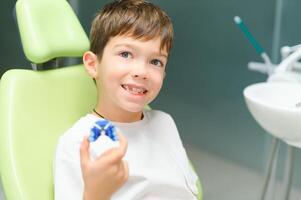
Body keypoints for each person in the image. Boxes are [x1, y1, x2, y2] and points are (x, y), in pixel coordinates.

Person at [54, 0, 200, 199]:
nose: (141, 72)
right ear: (93, 64)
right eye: (125, 54)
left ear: (164, 73)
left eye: (155, 61)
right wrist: (95, 194)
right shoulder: (79, 143)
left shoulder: (164, 123)